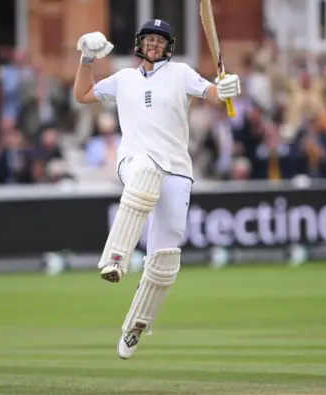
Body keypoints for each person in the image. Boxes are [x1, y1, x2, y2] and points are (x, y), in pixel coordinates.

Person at [73, 19, 241, 359]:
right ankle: (116, 259)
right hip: (134, 159)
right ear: (139, 43)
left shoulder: (180, 74)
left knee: (165, 257)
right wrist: (86, 60)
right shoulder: (123, 79)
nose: (153, 45)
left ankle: (136, 325)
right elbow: (83, 95)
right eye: (148, 39)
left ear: (168, 46)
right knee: (146, 172)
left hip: (177, 169)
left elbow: (209, 92)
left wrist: (224, 88)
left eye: (159, 41)